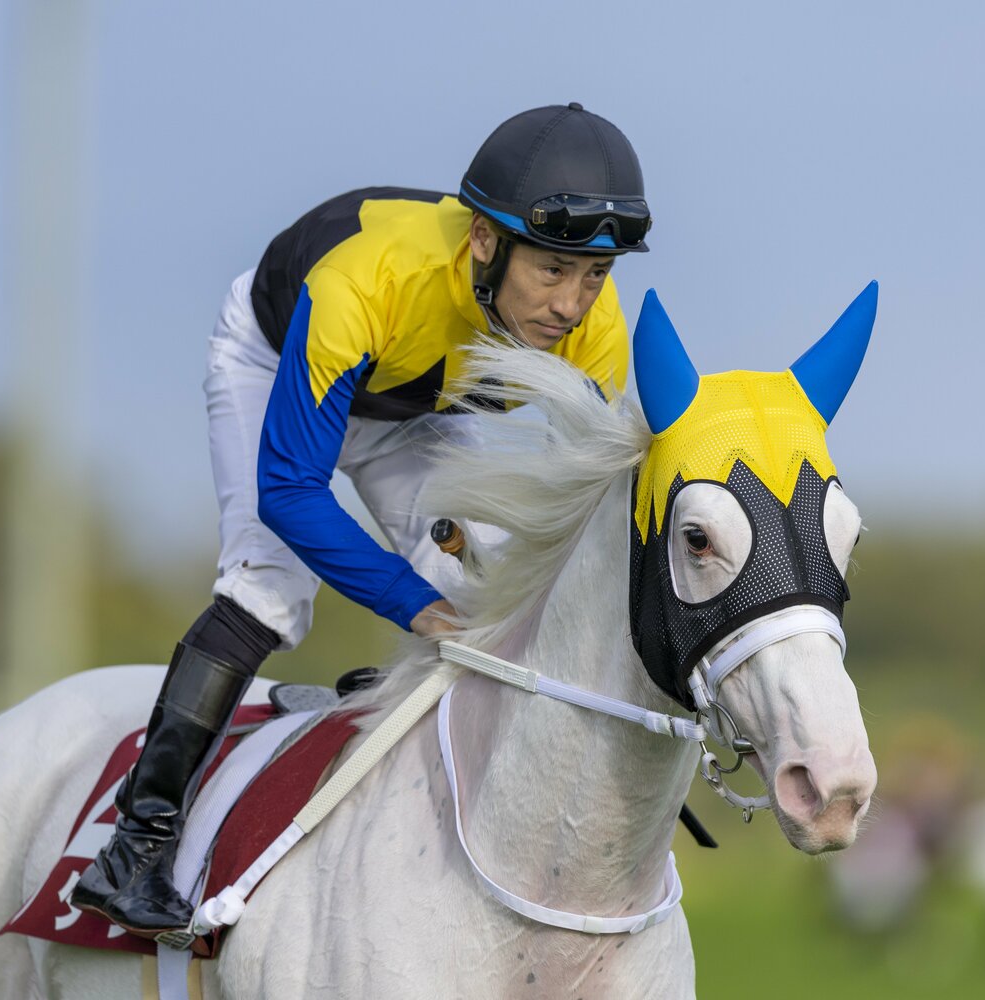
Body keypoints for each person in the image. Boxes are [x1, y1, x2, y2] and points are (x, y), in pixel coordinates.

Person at [71, 103, 653, 939]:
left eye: (594, 275)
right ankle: (136, 843)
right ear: (484, 242)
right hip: (276, 360)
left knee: (483, 585)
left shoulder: (597, 328)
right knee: (271, 588)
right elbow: (290, 492)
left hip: (410, 411)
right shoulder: (366, 282)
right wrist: (412, 605)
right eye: (554, 270)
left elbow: (587, 521)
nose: (572, 305)